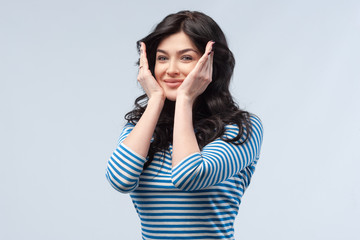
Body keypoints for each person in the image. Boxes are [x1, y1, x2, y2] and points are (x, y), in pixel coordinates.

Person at [106, 10, 263, 240]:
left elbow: (188, 176)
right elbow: (120, 179)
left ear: (210, 64)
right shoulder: (140, 128)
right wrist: (156, 101)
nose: (170, 69)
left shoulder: (240, 128)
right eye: (162, 58)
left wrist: (185, 100)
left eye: (186, 57)